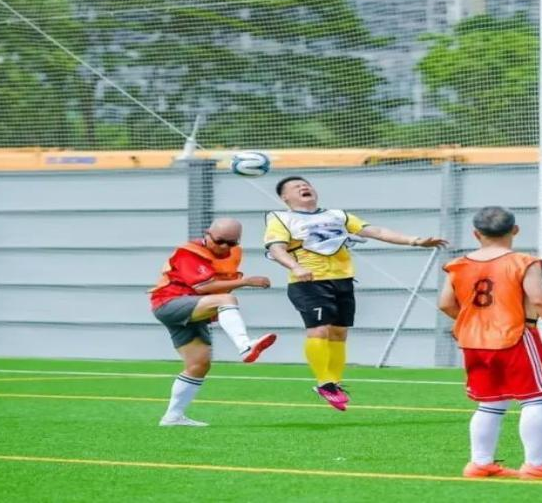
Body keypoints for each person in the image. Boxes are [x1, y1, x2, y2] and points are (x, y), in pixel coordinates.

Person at [265, 176, 445, 411]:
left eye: (306, 184)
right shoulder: (280, 218)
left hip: (342, 280)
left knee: (339, 332)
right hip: (309, 281)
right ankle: (324, 382)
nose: (303, 187)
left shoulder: (337, 215)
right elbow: (276, 248)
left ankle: (335, 383)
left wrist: (415, 240)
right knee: (319, 329)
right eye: (295, 186)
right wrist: (296, 267)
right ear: (284, 197)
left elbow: (375, 231)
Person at [438, 206, 542, 480]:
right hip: (515, 337)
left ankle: (480, 463)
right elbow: (540, 300)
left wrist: (474, 321)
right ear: (515, 230)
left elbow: (445, 303)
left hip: (474, 341)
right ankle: (536, 465)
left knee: (491, 402)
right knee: (536, 399)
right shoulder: (524, 262)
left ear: (476, 234)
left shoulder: (457, 264)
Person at [148, 218, 277, 427]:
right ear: (207, 234)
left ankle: (172, 417)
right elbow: (202, 286)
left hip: (195, 308)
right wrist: (245, 281)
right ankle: (245, 346)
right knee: (227, 300)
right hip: (169, 303)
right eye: (220, 241)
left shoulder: (234, 253)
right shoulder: (188, 252)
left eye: (232, 242)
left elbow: (221, 284)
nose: (225, 246)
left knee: (199, 364)